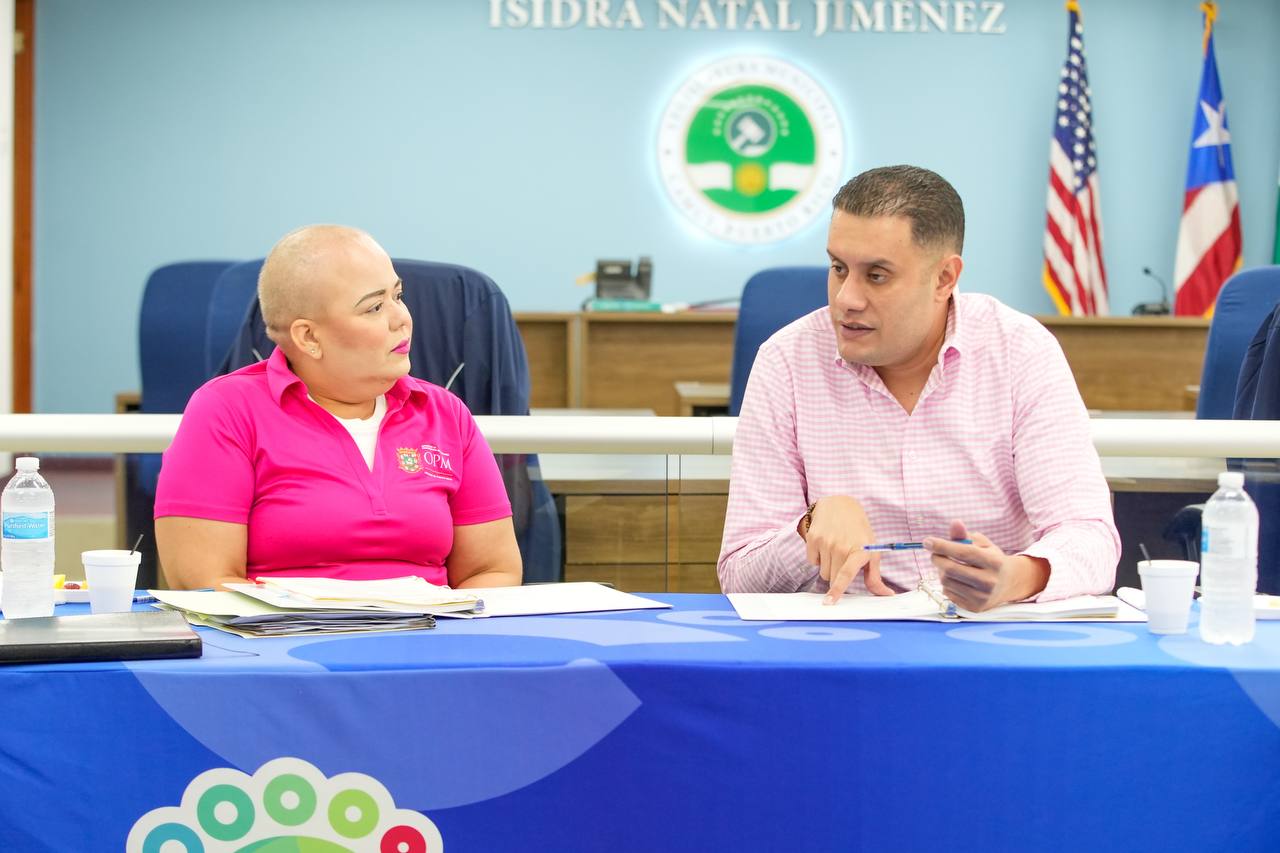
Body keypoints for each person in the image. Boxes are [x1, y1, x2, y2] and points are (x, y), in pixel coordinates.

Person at [718, 165, 1119, 611]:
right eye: (838, 268)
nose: (846, 298)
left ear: (945, 279)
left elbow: (1091, 538)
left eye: (877, 275)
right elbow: (739, 575)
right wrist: (809, 529)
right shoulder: (786, 361)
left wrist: (1014, 577)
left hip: (989, 631)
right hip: (844, 636)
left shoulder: (1019, 351)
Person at [155, 225, 522, 591]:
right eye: (374, 307)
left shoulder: (445, 414)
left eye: (398, 296)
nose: (402, 318)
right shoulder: (226, 411)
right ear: (309, 337)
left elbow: (493, 571)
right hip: (282, 628)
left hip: (429, 627)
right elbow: (204, 584)